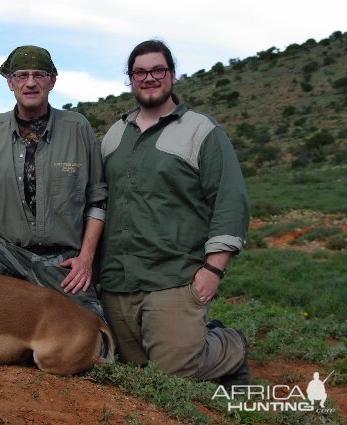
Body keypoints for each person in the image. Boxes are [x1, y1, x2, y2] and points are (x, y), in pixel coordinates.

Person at [99, 39, 251, 386]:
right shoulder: (114, 135)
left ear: (172, 74)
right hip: (117, 281)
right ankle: (193, 336)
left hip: (174, 277)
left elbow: (229, 199)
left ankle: (230, 346)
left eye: (157, 70)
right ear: (130, 78)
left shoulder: (201, 130)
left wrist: (214, 268)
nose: (149, 77)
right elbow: (100, 203)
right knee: (132, 373)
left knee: (171, 376)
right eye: (140, 71)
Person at [0, 45, 107, 317]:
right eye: (21, 75)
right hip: (0, 252)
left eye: (39, 75)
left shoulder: (78, 128)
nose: (30, 83)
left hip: (60, 260)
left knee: (93, 332)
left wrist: (86, 260)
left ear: (52, 81)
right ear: (10, 82)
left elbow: (97, 201)